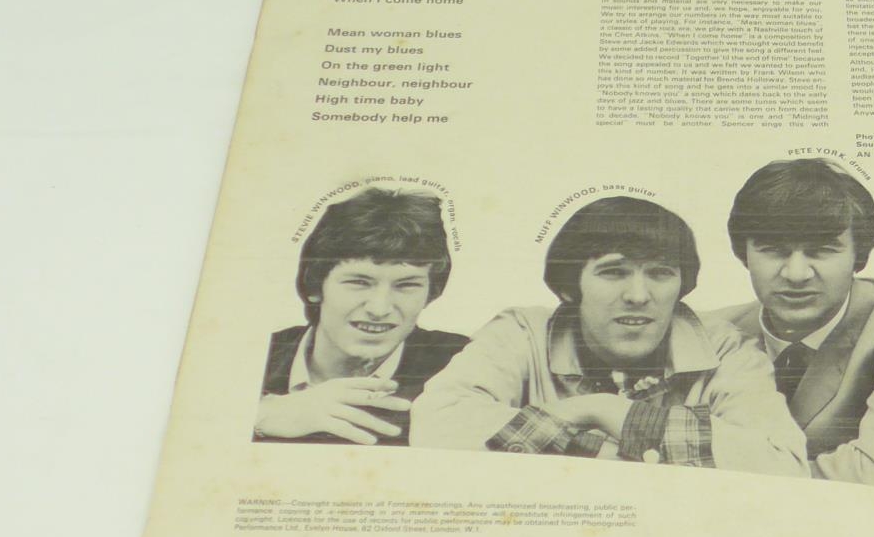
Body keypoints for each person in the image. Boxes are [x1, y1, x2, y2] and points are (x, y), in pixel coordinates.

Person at [411, 195, 807, 476]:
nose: (638, 295)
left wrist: (608, 411)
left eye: (660, 273)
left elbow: (784, 466)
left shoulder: (724, 347)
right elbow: (437, 427)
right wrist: (612, 444)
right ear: (571, 285)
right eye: (614, 272)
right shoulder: (522, 333)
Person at [705, 157, 874, 488]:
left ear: (858, 255)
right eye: (773, 250)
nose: (796, 274)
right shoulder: (712, 334)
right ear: (744, 254)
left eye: (822, 250)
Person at [255, 188, 468, 446]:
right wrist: (260, 416)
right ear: (315, 286)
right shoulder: (252, 354)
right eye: (359, 282)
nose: (379, 309)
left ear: (430, 292)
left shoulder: (465, 363)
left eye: (407, 285)